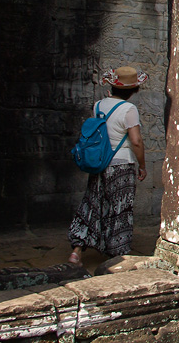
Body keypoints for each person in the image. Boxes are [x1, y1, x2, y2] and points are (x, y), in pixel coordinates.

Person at [68, 66, 148, 265]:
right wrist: (142, 165)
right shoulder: (129, 110)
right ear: (134, 90)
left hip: (100, 162)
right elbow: (136, 141)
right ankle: (117, 252)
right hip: (121, 164)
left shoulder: (98, 106)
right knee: (119, 207)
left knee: (92, 202)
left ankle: (77, 250)